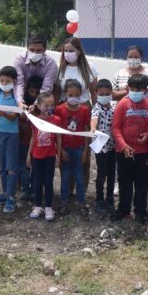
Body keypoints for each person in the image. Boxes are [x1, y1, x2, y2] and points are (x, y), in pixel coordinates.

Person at [111, 73, 148, 223]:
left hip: (143, 152)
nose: (136, 92)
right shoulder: (122, 104)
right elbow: (116, 128)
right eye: (133, 89)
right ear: (128, 88)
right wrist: (123, 146)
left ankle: (140, 211)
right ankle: (123, 209)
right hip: (123, 152)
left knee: (142, 183)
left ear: (146, 90)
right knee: (124, 181)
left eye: (140, 89)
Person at [55, 79, 92, 214]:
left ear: (80, 94)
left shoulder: (84, 109)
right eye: (70, 95)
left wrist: (85, 151)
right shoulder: (59, 109)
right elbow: (56, 132)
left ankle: (81, 203)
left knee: (79, 176)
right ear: (65, 94)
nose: (73, 98)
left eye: (76, 95)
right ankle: (64, 202)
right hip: (65, 149)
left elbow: (87, 130)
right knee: (65, 176)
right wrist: (60, 150)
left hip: (79, 148)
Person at [0, 66, 22, 213]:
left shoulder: (16, 96)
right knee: (2, 166)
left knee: (11, 167)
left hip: (12, 133)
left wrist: (2, 113)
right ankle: (5, 193)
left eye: (7, 81)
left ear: (14, 81)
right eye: (1, 80)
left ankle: (11, 196)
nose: (3, 82)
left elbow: (13, 116)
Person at [27, 91, 62, 222]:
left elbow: (58, 139)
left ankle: (48, 207)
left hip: (50, 156)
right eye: (46, 105)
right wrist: (28, 154)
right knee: (36, 182)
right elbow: (33, 137)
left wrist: (58, 155)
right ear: (39, 105)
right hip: (37, 156)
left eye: (51, 105)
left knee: (48, 182)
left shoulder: (56, 120)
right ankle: (37, 206)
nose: (49, 108)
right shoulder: (35, 120)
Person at [90, 79, 117, 214]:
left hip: (113, 146)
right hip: (101, 147)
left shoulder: (114, 106)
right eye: (102, 94)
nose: (105, 96)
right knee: (102, 173)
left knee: (112, 173)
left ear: (111, 93)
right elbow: (94, 120)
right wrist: (93, 128)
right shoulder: (96, 107)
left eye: (107, 93)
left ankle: (110, 198)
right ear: (96, 93)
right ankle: (99, 200)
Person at [12, 35, 58, 103]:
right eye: (32, 50)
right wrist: (20, 101)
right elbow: (19, 83)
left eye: (39, 50)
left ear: (45, 50)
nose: (35, 53)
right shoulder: (19, 61)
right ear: (27, 48)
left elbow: (47, 88)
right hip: (23, 94)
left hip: (42, 98)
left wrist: (36, 104)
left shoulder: (51, 63)